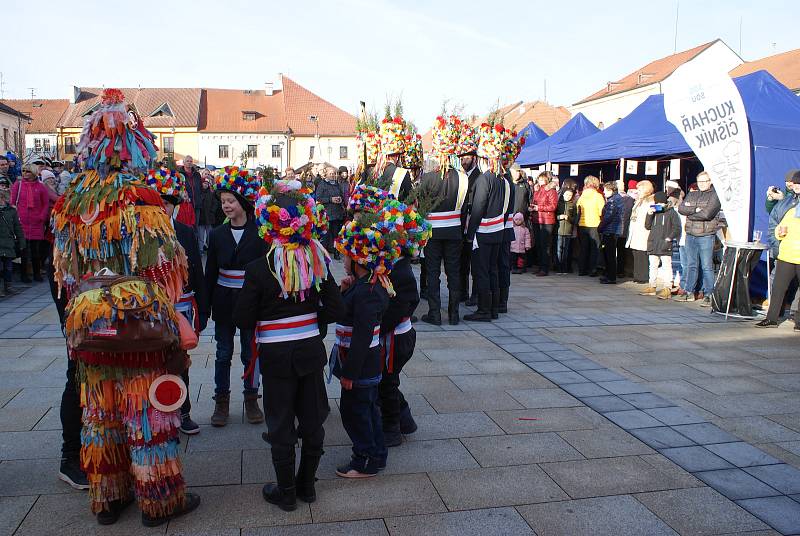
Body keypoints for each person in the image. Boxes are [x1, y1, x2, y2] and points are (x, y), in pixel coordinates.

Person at [51, 88, 198, 526]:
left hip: (91, 334)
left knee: (101, 416)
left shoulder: (70, 207)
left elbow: (64, 276)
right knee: (146, 414)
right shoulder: (143, 203)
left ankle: (109, 500)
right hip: (139, 335)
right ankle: (158, 501)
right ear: (134, 147)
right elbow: (167, 274)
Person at [234, 178, 343, 510]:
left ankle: (286, 492)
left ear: (269, 225)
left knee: (280, 422)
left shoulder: (257, 268)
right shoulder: (316, 263)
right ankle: (306, 486)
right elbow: (336, 309)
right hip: (310, 351)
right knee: (312, 418)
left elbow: (243, 318)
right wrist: (313, 324)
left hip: (276, 355)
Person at [330, 214, 396, 478]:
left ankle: (364, 459)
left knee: (355, 412)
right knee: (367, 410)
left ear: (358, 260)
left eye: (346, 256)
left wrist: (349, 373)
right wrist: (345, 289)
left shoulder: (367, 292)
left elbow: (362, 335)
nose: (343, 260)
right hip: (364, 364)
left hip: (361, 365)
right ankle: (377, 455)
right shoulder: (366, 286)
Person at [146, 168, 209, 435]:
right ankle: (156, 412)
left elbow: (197, 269)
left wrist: (204, 308)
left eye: (167, 204)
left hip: (182, 305)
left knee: (179, 359)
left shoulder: (184, 231)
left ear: (175, 205)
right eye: (157, 204)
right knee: (151, 361)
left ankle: (183, 412)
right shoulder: (143, 233)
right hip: (152, 307)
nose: (163, 209)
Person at [205, 166, 267, 426]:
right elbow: (210, 272)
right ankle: (221, 402)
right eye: (223, 202)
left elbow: (266, 271)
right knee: (222, 352)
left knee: (250, 352)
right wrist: (204, 306)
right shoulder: (217, 234)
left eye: (231, 201)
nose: (227, 206)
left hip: (251, 301)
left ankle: (251, 399)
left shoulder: (260, 233)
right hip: (223, 301)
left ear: (243, 202)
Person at [375, 199, 430, 446]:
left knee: (387, 382)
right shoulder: (388, 265)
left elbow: (403, 304)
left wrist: (376, 327)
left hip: (396, 338)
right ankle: (405, 420)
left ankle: (391, 430)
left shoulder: (401, 269)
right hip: (392, 336)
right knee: (387, 381)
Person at [420, 115, 470, 325]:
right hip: (454, 232)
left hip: (433, 232)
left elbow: (421, 206)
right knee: (454, 272)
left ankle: (434, 314)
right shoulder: (463, 177)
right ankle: (454, 314)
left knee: (432, 272)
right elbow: (466, 205)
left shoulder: (428, 177)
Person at [464, 123, 515, 322]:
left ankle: (484, 309)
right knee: (493, 270)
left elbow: (477, 208)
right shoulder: (502, 179)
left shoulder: (485, 179)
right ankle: (493, 307)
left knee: (481, 271)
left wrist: (470, 233)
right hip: (498, 232)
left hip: (484, 232)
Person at [756, 189, 800, 330]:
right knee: (778, 287)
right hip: (786, 255)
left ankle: (798, 321)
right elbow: (779, 227)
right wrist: (779, 233)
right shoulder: (790, 209)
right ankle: (771, 318)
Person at [676, 171, 721, 306]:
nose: (701, 184)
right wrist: (696, 210)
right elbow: (681, 208)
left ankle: (709, 294)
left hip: (706, 234)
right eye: (699, 181)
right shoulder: (692, 193)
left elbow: (707, 213)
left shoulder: (715, 195)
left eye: (704, 181)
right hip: (690, 234)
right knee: (691, 265)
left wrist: (691, 213)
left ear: (710, 181)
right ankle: (689, 291)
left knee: (707, 266)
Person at [10, 165, 49, 283]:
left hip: (36, 222)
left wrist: (41, 217)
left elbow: (45, 204)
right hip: (22, 222)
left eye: (28, 171)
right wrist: (16, 218)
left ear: (34, 173)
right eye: (23, 171)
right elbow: (13, 201)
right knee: (24, 251)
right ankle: (24, 275)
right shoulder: (18, 184)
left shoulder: (41, 187)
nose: (25, 173)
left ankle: (37, 273)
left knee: (36, 250)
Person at [641, 191, 682, 299]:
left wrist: (669, 238)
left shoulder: (671, 212)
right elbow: (647, 226)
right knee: (653, 265)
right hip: (653, 242)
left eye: (660, 204)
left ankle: (667, 288)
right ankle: (652, 286)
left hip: (665, 242)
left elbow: (677, 227)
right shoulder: (654, 211)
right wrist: (649, 214)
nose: (658, 206)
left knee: (666, 266)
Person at [457, 127, 482, 306]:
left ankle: (475, 294)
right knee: (462, 262)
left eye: (466, 157)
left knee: (475, 264)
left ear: (474, 158)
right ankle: (463, 292)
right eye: (462, 158)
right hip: (461, 225)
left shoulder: (479, 177)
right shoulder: (461, 176)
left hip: (474, 225)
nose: (463, 161)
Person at [315, 166, 349, 259]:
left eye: (334, 173)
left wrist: (340, 199)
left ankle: (336, 252)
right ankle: (324, 253)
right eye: (330, 173)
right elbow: (318, 198)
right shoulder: (322, 184)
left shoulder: (337, 184)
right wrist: (330, 199)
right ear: (326, 174)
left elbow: (341, 195)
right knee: (326, 234)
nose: (332, 175)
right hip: (327, 213)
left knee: (336, 234)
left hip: (338, 213)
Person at [376, 115, 412, 202]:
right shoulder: (403, 173)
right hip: (396, 214)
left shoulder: (373, 172)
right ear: (398, 155)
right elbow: (410, 200)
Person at [626, 180, 655, 284]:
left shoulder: (651, 201)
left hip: (643, 230)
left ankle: (643, 276)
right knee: (636, 252)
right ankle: (637, 275)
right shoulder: (639, 200)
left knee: (642, 253)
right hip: (635, 229)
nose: (637, 191)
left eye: (639, 189)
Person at [576, 176, 605, 276]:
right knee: (594, 248)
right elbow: (602, 211)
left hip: (582, 225)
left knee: (583, 248)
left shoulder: (581, 196)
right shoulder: (598, 196)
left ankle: (582, 269)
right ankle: (592, 270)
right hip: (594, 224)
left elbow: (578, 210)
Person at [531, 171, 557, 276]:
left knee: (545, 245)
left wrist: (539, 208)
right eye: (539, 179)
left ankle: (544, 268)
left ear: (547, 179)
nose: (540, 181)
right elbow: (535, 202)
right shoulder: (537, 190)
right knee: (538, 245)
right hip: (537, 219)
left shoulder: (551, 191)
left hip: (547, 221)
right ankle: (540, 266)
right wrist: (532, 207)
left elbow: (553, 206)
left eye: (542, 179)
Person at [597, 181, 623, 284]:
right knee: (608, 254)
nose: (604, 192)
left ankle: (611, 277)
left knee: (610, 255)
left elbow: (608, 216)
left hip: (611, 230)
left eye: (606, 190)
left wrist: (600, 227)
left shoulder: (613, 201)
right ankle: (608, 274)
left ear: (612, 190)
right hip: (613, 230)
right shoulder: (616, 199)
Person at [0, 187, 24, 297]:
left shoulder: (11, 211)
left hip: (8, 243)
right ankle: (1, 288)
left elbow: (17, 227)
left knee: (8, 266)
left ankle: (8, 286)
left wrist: (21, 241)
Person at [556, 187, 578, 274]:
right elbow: (554, 216)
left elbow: (575, 219)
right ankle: (558, 268)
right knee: (559, 250)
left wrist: (568, 218)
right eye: (567, 194)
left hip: (568, 230)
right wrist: (559, 217)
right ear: (563, 194)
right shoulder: (559, 204)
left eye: (570, 195)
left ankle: (564, 268)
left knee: (566, 250)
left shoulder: (573, 205)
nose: (568, 196)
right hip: (559, 230)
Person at [617, 180, 636, 277]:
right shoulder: (631, 200)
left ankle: (618, 270)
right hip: (625, 229)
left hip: (616, 229)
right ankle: (621, 270)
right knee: (622, 251)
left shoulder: (615, 198)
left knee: (615, 251)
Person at [178, 155, 202, 227]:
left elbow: (200, 187)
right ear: (184, 163)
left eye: (191, 161)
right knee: (187, 226)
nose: (189, 163)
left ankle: (195, 238)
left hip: (197, 204)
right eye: (187, 161)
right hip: (186, 204)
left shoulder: (197, 174)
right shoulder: (179, 174)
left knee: (196, 226)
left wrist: (201, 198)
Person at [197, 173, 217, 251]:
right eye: (204, 183)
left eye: (206, 183)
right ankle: (200, 249)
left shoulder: (211, 193)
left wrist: (212, 211)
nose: (205, 185)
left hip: (209, 217)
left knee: (210, 235)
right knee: (200, 235)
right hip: (201, 218)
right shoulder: (199, 193)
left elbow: (215, 203)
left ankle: (210, 249)